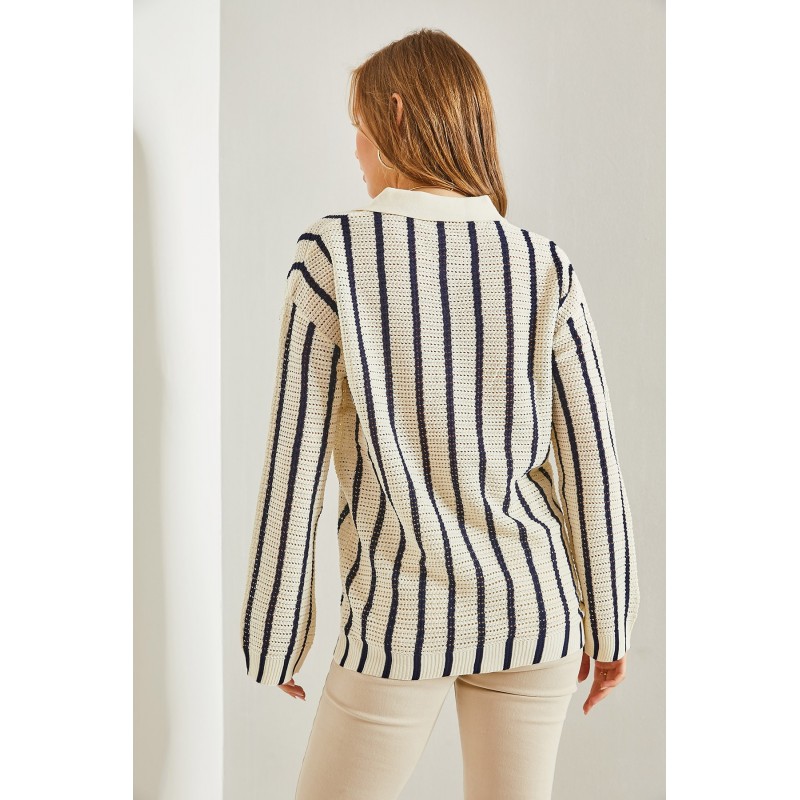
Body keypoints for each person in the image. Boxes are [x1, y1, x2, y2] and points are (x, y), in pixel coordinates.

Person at [240, 27, 641, 800]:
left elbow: (293, 462)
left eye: (357, 124)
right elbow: (594, 463)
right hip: (535, 609)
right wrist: (610, 619)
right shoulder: (544, 266)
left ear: (394, 113)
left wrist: (275, 631)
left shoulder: (333, 256)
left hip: (399, 615)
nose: (355, 149)